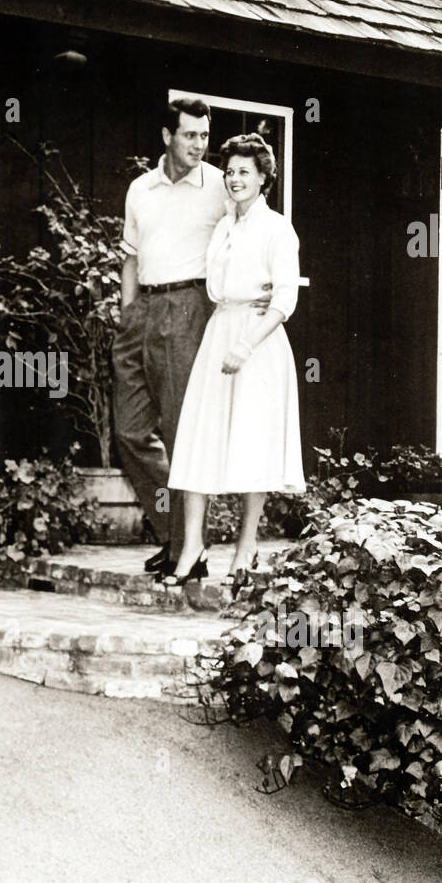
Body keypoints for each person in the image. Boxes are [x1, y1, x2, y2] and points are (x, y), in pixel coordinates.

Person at [113, 100, 270, 576]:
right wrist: (126, 311)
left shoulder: (220, 188)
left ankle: (188, 546)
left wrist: (262, 289)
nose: (200, 145)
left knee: (184, 433)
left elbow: (253, 227)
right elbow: (130, 257)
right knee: (129, 430)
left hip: (189, 308)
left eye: (204, 136)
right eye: (190, 136)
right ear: (167, 136)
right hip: (142, 310)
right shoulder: (140, 188)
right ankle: (175, 532)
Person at [162, 133, 305, 592]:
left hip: (257, 344)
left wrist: (246, 345)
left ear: (264, 177)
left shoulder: (277, 229)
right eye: (230, 171)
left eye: (245, 171)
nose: (235, 178)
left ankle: (246, 548)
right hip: (220, 330)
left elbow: (285, 298)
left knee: (252, 444)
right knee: (199, 439)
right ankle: (192, 548)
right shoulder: (224, 226)